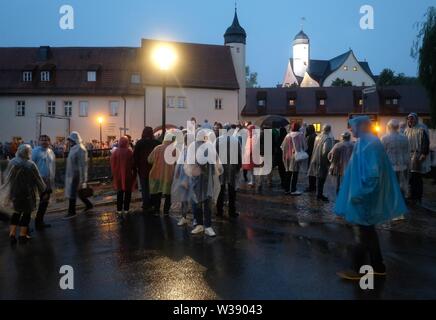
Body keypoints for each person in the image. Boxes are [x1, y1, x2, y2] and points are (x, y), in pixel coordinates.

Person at [335, 116, 407, 280]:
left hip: (365, 197)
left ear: (361, 126)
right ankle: (378, 265)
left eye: (352, 126)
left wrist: (360, 194)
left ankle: (358, 269)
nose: (350, 130)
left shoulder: (371, 144)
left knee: (362, 234)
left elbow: (373, 175)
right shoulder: (364, 142)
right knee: (369, 232)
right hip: (362, 196)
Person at [0, 144, 47, 245]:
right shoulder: (30, 164)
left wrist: (6, 191)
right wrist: (43, 190)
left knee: (16, 212)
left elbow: (6, 177)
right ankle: (22, 235)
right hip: (28, 193)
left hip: (15, 192)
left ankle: (12, 234)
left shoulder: (12, 162)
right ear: (28, 152)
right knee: (26, 214)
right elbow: (38, 179)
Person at [186, 129, 222, 236]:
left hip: (203, 179)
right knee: (202, 202)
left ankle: (204, 225)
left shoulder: (206, 146)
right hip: (201, 179)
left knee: (203, 202)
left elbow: (216, 162)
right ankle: (203, 225)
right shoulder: (198, 146)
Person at [64, 132, 93, 219]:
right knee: (78, 192)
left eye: (70, 140)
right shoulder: (74, 148)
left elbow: (83, 165)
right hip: (72, 174)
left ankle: (72, 212)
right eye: (69, 140)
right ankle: (89, 205)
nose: (69, 141)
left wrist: (83, 180)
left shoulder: (80, 148)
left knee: (73, 193)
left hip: (77, 175)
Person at [215, 124, 242, 218]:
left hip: (221, 167)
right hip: (232, 167)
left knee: (220, 189)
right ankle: (231, 211)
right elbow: (239, 154)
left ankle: (219, 211)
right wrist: (239, 166)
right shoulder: (235, 140)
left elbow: (214, 154)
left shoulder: (218, 140)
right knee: (232, 190)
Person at [404, 113, 431, 205]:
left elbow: (425, 142)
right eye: (409, 119)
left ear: (416, 120)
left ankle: (418, 197)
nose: (410, 121)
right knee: (410, 177)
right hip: (408, 155)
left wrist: (423, 153)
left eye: (412, 119)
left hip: (417, 155)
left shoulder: (421, 129)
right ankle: (411, 195)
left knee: (417, 177)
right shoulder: (406, 130)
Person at [148, 132, 176, 215]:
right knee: (168, 194)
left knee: (157, 193)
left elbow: (149, 160)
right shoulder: (173, 150)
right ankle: (166, 211)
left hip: (156, 174)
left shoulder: (157, 148)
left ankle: (156, 210)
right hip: (168, 175)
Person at [32, 135, 56, 229]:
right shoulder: (35, 151)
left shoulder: (50, 152)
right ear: (38, 141)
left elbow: (52, 166)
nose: (44, 142)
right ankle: (27, 224)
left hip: (48, 180)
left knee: (44, 201)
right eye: (42, 140)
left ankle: (39, 221)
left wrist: (51, 179)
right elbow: (31, 165)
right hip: (38, 180)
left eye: (46, 140)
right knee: (35, 202)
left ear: (49, 141)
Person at [381, 119, 410, 196]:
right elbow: (407, 152)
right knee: (401, 183)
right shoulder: (404, 138)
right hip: (402, 165)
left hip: (389, 165)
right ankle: (401, 198)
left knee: (391, 184)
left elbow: (382, 153)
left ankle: (393, 200)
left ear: (389, 127)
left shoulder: (384, 138)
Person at [133, 127, 160, 212]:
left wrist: (135, 167)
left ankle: (146, 204)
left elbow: (135, 157)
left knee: (144, 188)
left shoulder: (139, 143)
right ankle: (154, 203)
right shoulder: (156, 143)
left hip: (143, 169)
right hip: (154, 168)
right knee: (154, 187)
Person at [307, 124, 334, 202]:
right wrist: (328, 161)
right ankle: (319, 194)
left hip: (315, 158)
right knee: (321, 178)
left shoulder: (318, 136)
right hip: (322, 160)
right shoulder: (328, 138)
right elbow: (326, 151)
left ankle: (318, 193)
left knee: (318, 176)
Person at [111, 136, 136, 217]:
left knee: (119, 192)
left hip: (118, 176)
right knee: (128, 193)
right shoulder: (129, 152)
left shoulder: (115, 152)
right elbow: (133, 163)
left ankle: (118, 209)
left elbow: (112, 163)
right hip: (128, 175)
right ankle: (126, 209)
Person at [281, 122, 307, 195]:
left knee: (288, 173)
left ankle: (287, 189)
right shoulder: (300, 135)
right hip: (296, 157)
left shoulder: (287, 135)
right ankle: (293, 189)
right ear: (298, 128)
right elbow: (305, 146)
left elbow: (283, 147)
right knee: (295, 173)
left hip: (287, 157)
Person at [172, 130, 191, 226]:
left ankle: (184, 216)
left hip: (185, 177)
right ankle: (188, 217)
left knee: (185, 197)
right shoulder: (191, 150)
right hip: (191, 178)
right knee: (190, 198)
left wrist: (178, 173)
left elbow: (180, 163)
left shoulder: (186, 150)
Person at [305, 124, 317, 192]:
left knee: (310, 171)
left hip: (310, 156)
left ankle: (311, 187)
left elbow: (307, 148)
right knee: (314, 172)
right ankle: (314, 186)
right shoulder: (316, 136)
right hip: (315, 156)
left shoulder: (309, 137)